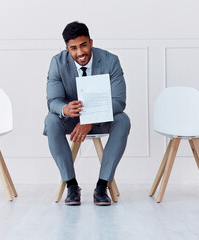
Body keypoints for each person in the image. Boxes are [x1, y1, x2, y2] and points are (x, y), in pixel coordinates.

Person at [43, 21, 131, 206]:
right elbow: (53, 101)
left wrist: (90, 119)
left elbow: (119, 101)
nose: (80, 53)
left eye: (83, 45)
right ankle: (72, 186)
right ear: (67, 48)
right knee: (51, 120)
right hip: (72, 119)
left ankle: (102, 186)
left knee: (123, 120)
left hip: (102, 118)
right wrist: (64, 109)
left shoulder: (110, 60)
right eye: (73, 48)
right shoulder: (57, 63)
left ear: (91, 42)